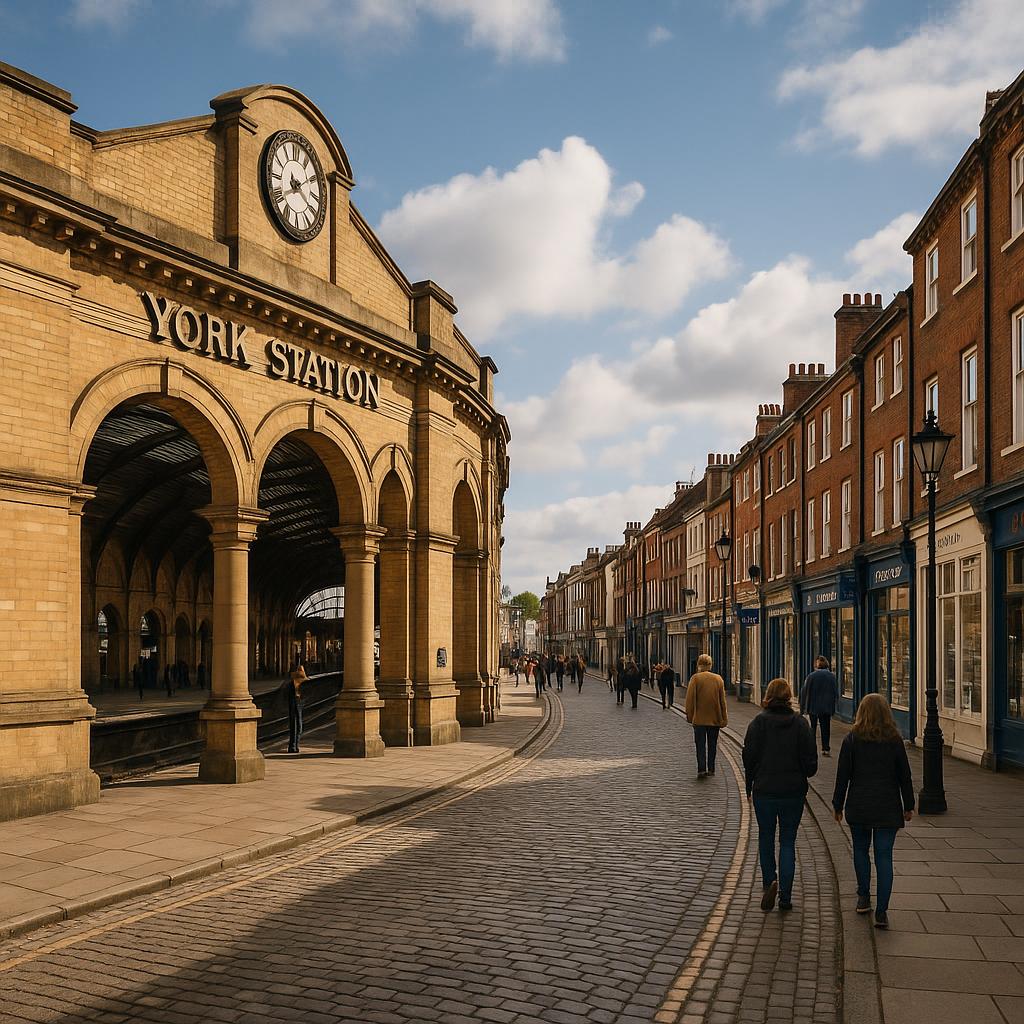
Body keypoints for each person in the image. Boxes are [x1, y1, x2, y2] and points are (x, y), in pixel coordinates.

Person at [832, 693, 915, 929]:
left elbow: (842, 776)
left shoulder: (852, 739)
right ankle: (882, 912)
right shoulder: (895, 740)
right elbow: (904, 777)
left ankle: (863, 897)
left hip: (859, 805)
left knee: (860, 850)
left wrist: (838, 805)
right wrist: (908, 805)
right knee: (884, 856)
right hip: (888, 807)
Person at [742, 678, 818, 913]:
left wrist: (750, 785)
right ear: (789, 697)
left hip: (764, 790)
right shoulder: (800, 724)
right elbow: (811, 765)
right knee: (787, 841)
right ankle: (785, 895)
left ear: (768, 695)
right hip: (792, 792)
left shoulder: (758, 723)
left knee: (765, 838)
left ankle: (769, 883)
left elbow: (748, 758)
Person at [684, 654, 728, 777]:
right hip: (714, 719)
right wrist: (724, 718)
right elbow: (722, 701)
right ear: (710, 664)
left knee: (700, 745)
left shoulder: (695, 679)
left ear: (699, 664)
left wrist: (690, 715)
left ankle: (701, 769)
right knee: (712, 744)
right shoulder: (718, 679)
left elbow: (690, 699)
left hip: (699, 719)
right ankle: (712, 768)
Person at [800, 655, 839, 756]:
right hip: (826, 706)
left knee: (812, 728)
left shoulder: (811, 676)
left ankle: (812, 748)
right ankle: (825, 748)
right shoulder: (832, 676)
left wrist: (802, 708)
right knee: (825, 727)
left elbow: (804, 692)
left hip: (813, 706)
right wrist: (834, 705)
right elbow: (835, 692)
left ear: (816, 665)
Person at [286, 661, 308, 753]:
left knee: (297, 726)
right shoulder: (292, 685)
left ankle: (294, 745)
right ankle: (293, 746)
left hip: (297, 704)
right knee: (296, 726)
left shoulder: (299, 685)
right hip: (295, 704)